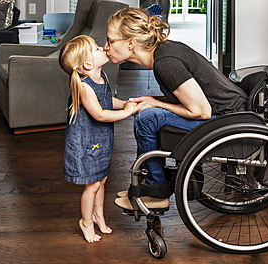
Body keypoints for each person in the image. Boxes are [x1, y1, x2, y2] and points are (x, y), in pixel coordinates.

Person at [104, 8, 248, 210]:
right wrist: (153, 99)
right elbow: (185, 96)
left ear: (130, 43)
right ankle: (148, 183)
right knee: (148, 111)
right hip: (224, 111)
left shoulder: (166, 63)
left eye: (110, 41)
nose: (106, 46)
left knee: (147, 118)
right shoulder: (163, 53)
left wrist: (156, 103)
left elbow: (201, 111)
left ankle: (156, 192)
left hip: (226, 118)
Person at [59, 35, 137, 243]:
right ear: (87, 63)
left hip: (100, 140)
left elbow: (107, 99)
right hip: (85, 145)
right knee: (92, 185)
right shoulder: (84, 87)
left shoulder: (102, 76)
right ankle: (86, 221)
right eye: (95, 48)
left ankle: (98, 216)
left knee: (101, 179)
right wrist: (127, 113)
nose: (103, 47)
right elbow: (100, 114)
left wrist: (125, 104)